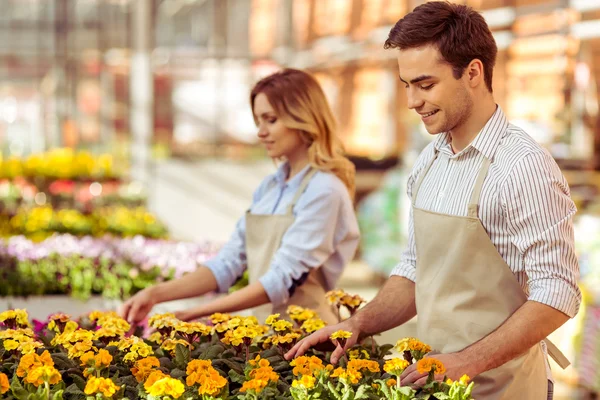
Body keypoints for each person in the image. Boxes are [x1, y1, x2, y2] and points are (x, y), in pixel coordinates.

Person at [286, 3, 580, 400]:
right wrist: (357, 324)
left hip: (504, 389)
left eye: (425, 85)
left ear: (473, 73)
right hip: (435, 385)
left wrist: (466, 363)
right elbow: (414, 269)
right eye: (406, 85)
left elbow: (558, 292)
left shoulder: (522, 166)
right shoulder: (430, 160)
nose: (411, 101)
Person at [120, 68, 360, 326]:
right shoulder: (271, 187)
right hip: (268, 335)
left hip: (309, 338)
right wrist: (155, 294)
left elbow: (283, 279)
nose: (260, 132)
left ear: (303, 118)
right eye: (258, 121)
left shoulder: (324, 190)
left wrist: (198, 313)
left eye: (270, 120)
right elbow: (228, 262)